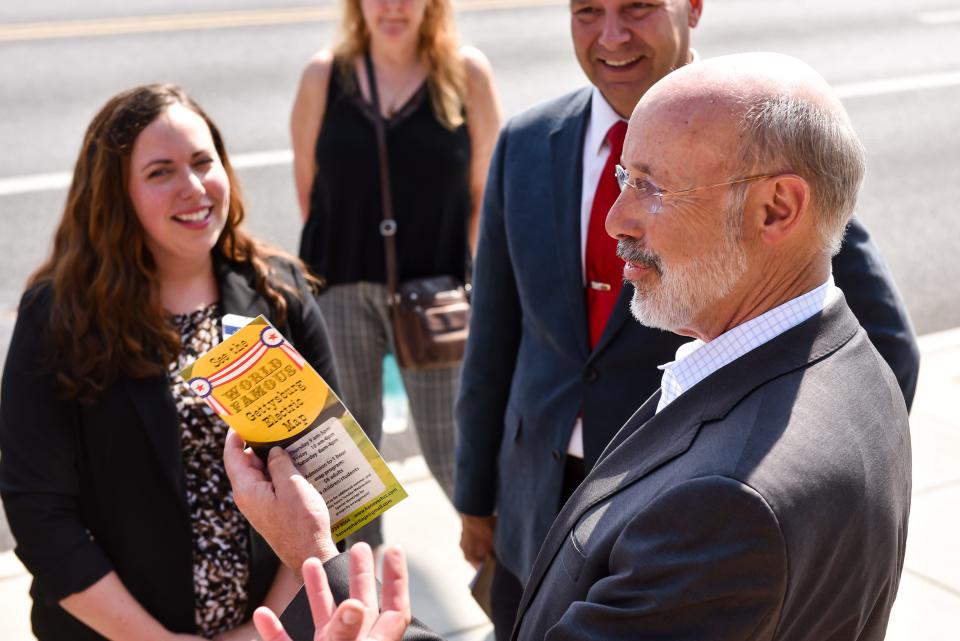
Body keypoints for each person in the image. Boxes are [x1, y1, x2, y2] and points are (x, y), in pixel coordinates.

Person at [228, 51, 912, 641]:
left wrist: (317, 555)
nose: (616, 220)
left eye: (651, 186)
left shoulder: (725, 505)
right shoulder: (854, 365)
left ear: (777, 209)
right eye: (621, 179)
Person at [454, 1, 919, 636]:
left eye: (652, 186)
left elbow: (852, 304)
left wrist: (788, 451)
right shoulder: (527, 141)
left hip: (669, 495)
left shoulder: (755, 137)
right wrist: (476, 496)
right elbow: (494, 335)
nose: (618, 217)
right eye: (588, 9)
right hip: (535, 496)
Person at [0, 84, 340, 641]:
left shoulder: (280, 296)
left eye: (204, 162)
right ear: (116, 195)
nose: (193, 187)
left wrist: (264, 631)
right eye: (160, 172)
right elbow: (40, 512)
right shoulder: (59, 318)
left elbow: (328, 477)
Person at [290, 0, 501, 550]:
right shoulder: (324, 76)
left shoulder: (465, 73)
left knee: (456, 452)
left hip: (434, 297)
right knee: (346, 467)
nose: (392, 6)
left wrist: (466, 286)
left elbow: (484, 194)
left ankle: (506, 579)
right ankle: (362, 599)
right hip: (339, 289)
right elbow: (309, 189)